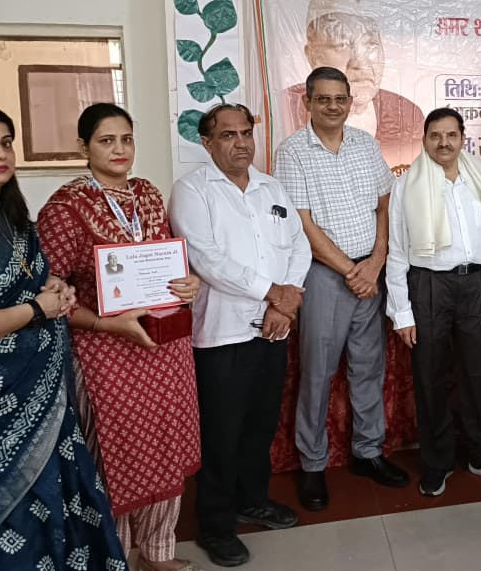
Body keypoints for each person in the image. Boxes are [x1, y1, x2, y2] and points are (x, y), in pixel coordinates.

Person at [0, 105, 127, 569]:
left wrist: (55, 289)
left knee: (52, 498)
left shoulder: (13, 216)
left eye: (6, 143)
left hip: (41, 390)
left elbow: (23, 282)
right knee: (1, 512)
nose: (0, 154)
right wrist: (34, 310)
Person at [37, 103, 203, 571]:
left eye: (126, 139)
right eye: (106, 140)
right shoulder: (65, 207)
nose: (119, 149)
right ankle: (115, 559)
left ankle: (157, 552)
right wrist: (106, 323)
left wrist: (188, 283)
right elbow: (49, 294)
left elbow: (166, 262)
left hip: (163, 346)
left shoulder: (147, 193)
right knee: (116, 459)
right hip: (106, 352)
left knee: (166, 448)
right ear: (83, 147)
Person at [169, 103, 311, 567]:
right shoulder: (192, 190)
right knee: (222, 432)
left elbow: (299, 245)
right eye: (228, 135)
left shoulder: (271, 187)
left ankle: (253, 501)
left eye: (246, 133)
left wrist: (285, 303)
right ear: (207, 142)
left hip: (274, 328)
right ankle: (216, 524)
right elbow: (206, 259)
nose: (241, 143)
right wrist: (273, 293)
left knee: (259, 425)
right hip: (222, 335)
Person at [273, 66, 409, 513]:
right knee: (317, 372)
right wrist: (352, 271)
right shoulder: (292, 152)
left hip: (369, 273)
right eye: (323, 99)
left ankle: (368, 452)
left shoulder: (365, 144)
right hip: (325, 277)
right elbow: (302, 224)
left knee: (368, 367)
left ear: (350, 101)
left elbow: (385, 205)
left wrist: (377, 260)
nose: (333, 106)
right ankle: (312, 463)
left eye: (340, 98)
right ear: (307, 103)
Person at [385, 107, 481, 497]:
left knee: (479, 373)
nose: (444, 143)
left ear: (462, 137)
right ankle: (437, 461)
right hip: (428, 284)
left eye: (451, 135)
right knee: (430, 375)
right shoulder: (406, 184)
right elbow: (396, 251)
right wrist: (402, 312)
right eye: (435, 135)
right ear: (424, 139)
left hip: (475, 283)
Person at [281, 0, 424, 167]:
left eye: (370, 44)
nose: (360, 62)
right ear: (312, 55)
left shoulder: (405, 114)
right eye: (342, 44)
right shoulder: (285, 108)